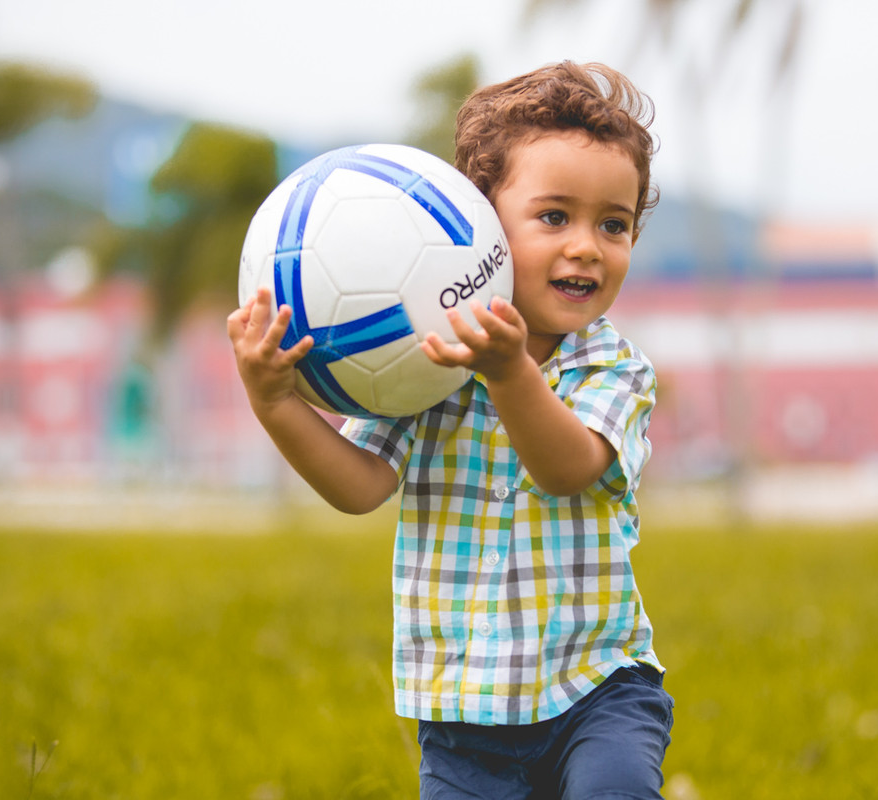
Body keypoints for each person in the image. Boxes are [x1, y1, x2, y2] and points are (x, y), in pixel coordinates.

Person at [227, 60, 672, 799]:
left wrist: (510, 373)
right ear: (483, 228)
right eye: (554, 216)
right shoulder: (424, 367)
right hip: (465, 710)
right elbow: (361, 487)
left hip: (599, 688)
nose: (588, 245)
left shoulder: (615, 369)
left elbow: (568, 467)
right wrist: (276, 403)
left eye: (614, 224)